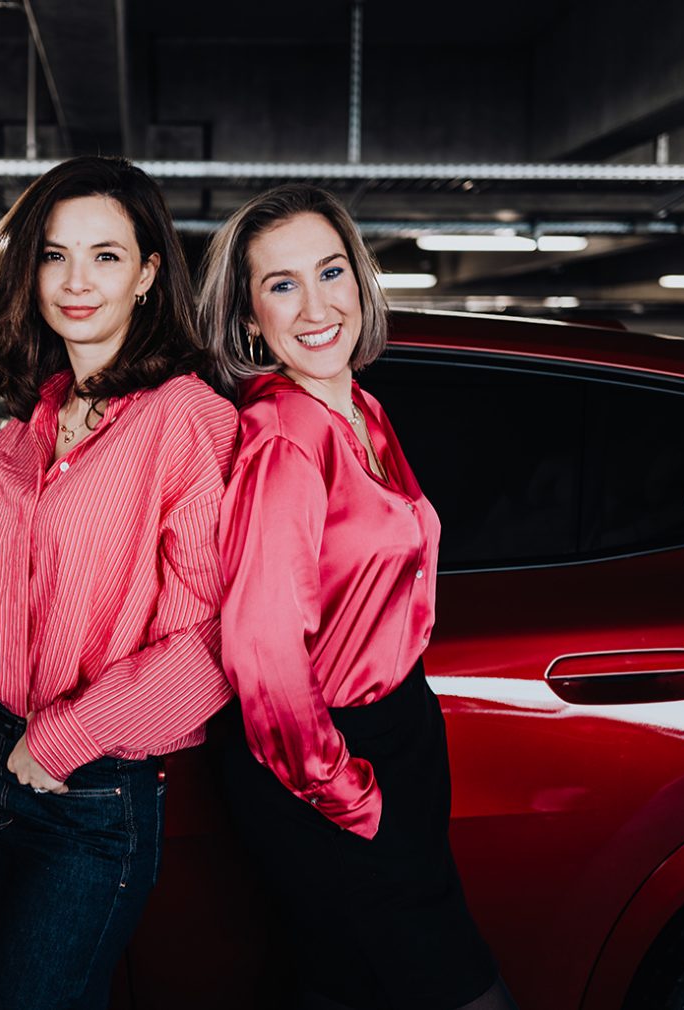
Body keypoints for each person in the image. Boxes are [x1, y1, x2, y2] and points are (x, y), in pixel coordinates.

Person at [0, 155, 238, 1010]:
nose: (75, 281)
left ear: (146, 274)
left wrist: (58, 740)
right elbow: (32, 580)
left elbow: (207, 643)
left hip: (86, 788)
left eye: (105, 255)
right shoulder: (31, 418)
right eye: (55, 255)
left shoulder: (186, 418)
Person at [199, 184, 516, 1010]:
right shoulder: (285, 438)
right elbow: (263, 654)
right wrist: (348, 793)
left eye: (331, 271)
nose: (316, 306)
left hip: (395, 732)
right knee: (453, 990)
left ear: (361, 279)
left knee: (345, 987)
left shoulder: (362, 409)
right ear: (247, 319)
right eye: (281, 284)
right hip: (327, 763)